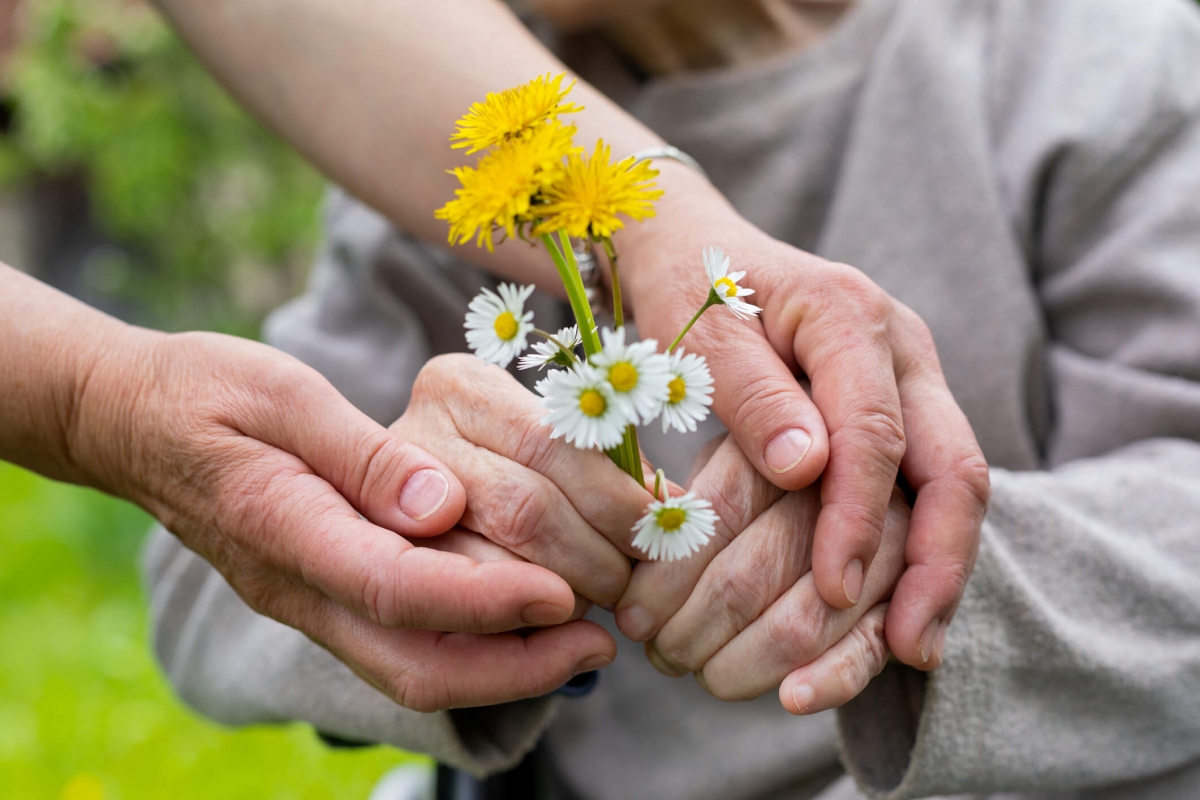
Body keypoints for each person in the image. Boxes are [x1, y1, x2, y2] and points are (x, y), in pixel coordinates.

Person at [142, 0, 1200, 798]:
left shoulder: (1095, 56)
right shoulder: (468, 156)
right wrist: (413, 535)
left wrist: (915, 568)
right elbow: (197, 573)